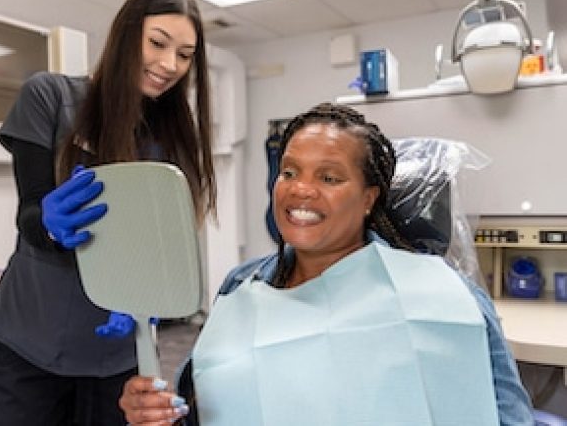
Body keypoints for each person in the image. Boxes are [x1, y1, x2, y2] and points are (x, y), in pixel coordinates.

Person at [119, 103, 534, 426]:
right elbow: (195, 408)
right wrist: (155, 411)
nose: (300, 190)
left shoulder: (442, 297)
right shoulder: (241, 286)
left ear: (369, 198)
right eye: (289, 172)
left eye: (329, 178)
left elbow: (504, 415)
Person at [0, 0, 216, 426]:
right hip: (28, 347)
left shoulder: (167, 138)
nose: (169, 65)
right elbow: (29, 211)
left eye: (184, 55)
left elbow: (155, 249)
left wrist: (146, 300)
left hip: (116, 359)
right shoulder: (49, 96)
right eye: (158, 43)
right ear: (127, 34)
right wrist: (48, 225)